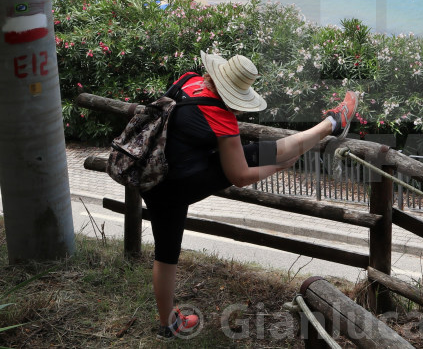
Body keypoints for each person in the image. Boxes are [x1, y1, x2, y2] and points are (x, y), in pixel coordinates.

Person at [142, 51, 359, 340]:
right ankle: (333, 123)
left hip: (149, 172)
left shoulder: (188, 81)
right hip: (175, 182)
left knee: (166, 254)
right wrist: (277, 167)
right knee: (258, 153)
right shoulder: (220, 116)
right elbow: (240, 177)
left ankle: (168, 323)